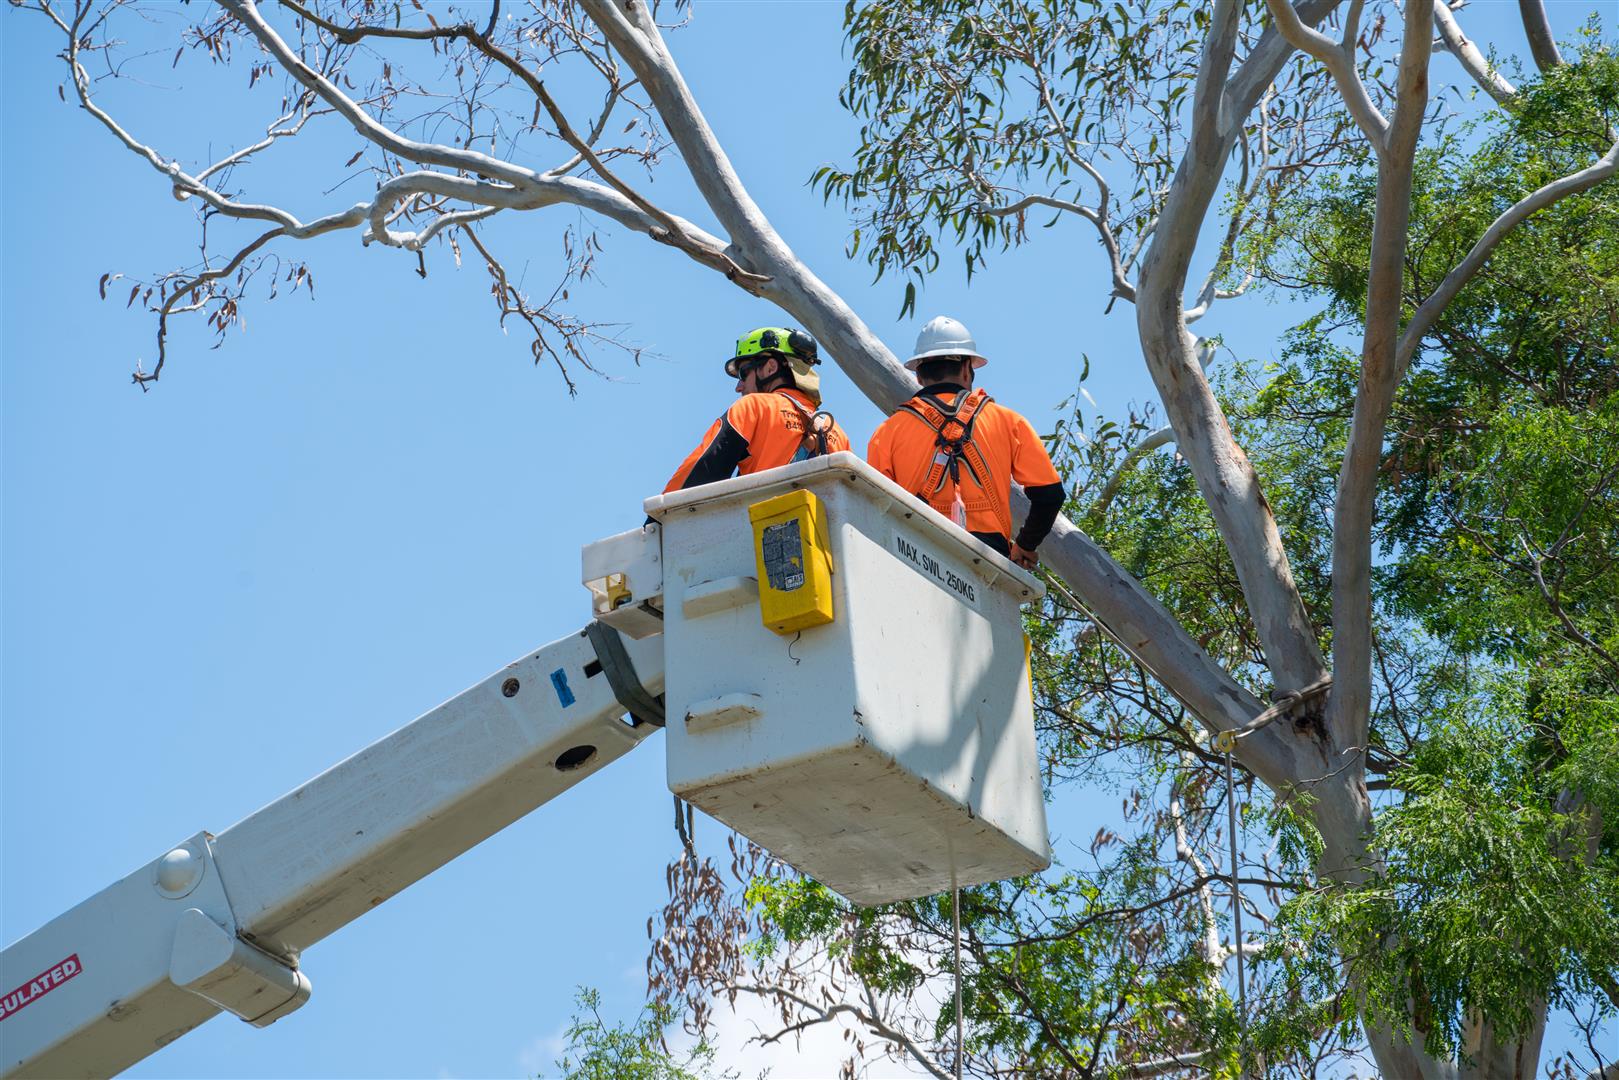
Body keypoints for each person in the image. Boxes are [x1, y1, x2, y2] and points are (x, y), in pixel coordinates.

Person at [866, 316, 1066, 569]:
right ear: (966, 369)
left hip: (917, 555)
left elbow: (874, 506)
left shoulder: (887, 432)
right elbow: (1049, 494)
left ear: (918, 375)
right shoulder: (1007, 421)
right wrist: (1025, 545)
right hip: (989, 558)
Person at [663, 327, 851, 493]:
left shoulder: (754, 408)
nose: (739, 386)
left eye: (744, 374)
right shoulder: (836, 433)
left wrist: (659, 519)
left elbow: (701, 471)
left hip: (762, 528)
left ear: (770, 368)